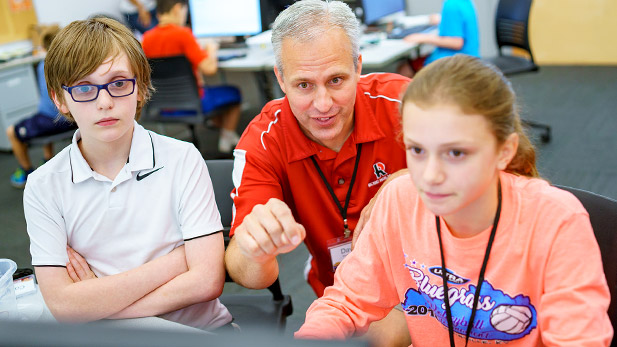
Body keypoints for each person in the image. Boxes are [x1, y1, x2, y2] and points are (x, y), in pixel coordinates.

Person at [296, 55, 613, 346]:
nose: (430, 176)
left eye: (456, 153)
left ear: (504, 151)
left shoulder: (556, 221)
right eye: (417, 150)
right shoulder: (400, 199)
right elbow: (346, 301)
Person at [23, 17, 232, 330]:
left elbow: (206, 282)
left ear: (141, 87)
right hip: (107, 338)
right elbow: (64, 306)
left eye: (119, 83)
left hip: (198, 331)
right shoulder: (43, 186)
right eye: (83, 88)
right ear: (59, 98)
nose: (104, 102)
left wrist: (96, 305)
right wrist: (177, 261)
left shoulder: (182, 159)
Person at [224, 0, 410, 345]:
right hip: (340, 297)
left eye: (336, 80)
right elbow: (247, 274)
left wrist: (406, 182)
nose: (323, 105)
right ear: (280, 78)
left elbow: (497, 180)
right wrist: (254, 248)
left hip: (433, 288)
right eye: (304, 85)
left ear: (358, 66)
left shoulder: (405, 104)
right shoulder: (264, 141)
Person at [141, 0, 242, 153]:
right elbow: (209, 69)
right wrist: (211, 49)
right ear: (177, 9)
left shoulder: (146, 38)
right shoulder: (183, 34)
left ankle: (224, 133)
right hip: (194, 102)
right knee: (234, 92)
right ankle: (227, 138)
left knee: (215, 97)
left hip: (162, 105)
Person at [6, 28, 77, 188]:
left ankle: (26, 172)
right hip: (73, 120)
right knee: (41, 115)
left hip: (54, 121)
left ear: (44, 48)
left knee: (11, 131)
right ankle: (48, 158)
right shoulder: (72, 64)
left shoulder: (43, 66)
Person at [399, 0, 479, 76]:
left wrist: (423, 38)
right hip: (469, 59)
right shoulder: (463, 2)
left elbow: (457, 42)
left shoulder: (451, 4)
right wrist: (442, 19)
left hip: (453, 62)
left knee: (404, 69)